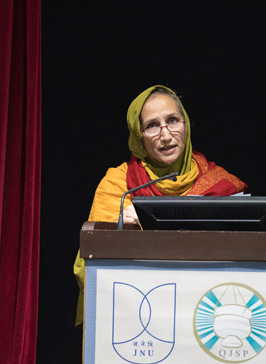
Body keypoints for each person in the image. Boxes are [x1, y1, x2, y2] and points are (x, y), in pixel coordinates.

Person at [72, 85, 247, 326]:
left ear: (185, 124)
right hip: (139, 314)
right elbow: (91, 263)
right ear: (138, 135)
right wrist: (123, 231)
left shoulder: (219, 181)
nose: (165, 135)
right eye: (152, 126)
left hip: (207, 310)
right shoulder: (119, 185)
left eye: (173, 121)